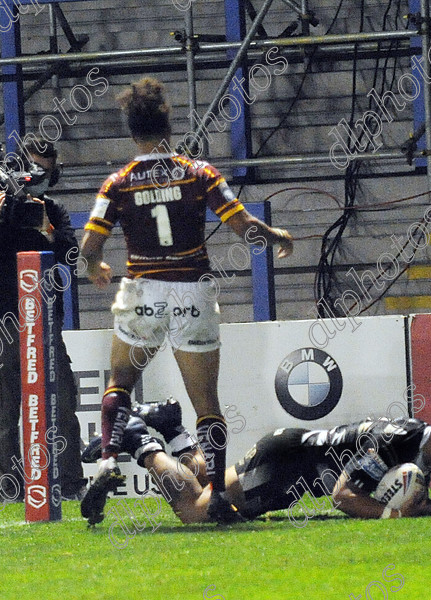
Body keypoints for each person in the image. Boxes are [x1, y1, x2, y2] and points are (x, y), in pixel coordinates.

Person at [79, 77, 294, 524]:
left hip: (143, 289)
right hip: (192, 290)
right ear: (168, 124)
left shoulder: (117, 183)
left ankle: (105, 463)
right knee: (206, 405)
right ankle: (215, 493)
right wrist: (277, 236)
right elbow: (244, 227)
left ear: (130, 131)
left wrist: (94, 268)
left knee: (120, 382)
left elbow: (89, 246)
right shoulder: (199, 173)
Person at [81, 405, 431, 524]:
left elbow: (403, 496)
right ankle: (139, 437)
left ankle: (174, 431)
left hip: (288, 453)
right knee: (197, 512)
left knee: (212, 486)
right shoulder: (399, 441)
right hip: (285, 468)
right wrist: (392, 515)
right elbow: (344, 497)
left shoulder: (418, 442)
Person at [0, 136, 86, 503]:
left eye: (43, 175)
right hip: (0, 319)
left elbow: (70, 258)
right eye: (30, 173)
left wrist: (48, 230)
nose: (34, 182)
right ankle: (11, 488)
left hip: (44, 317)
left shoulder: (53, 210)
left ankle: (70, 483)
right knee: (5, 409)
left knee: (62, 402)